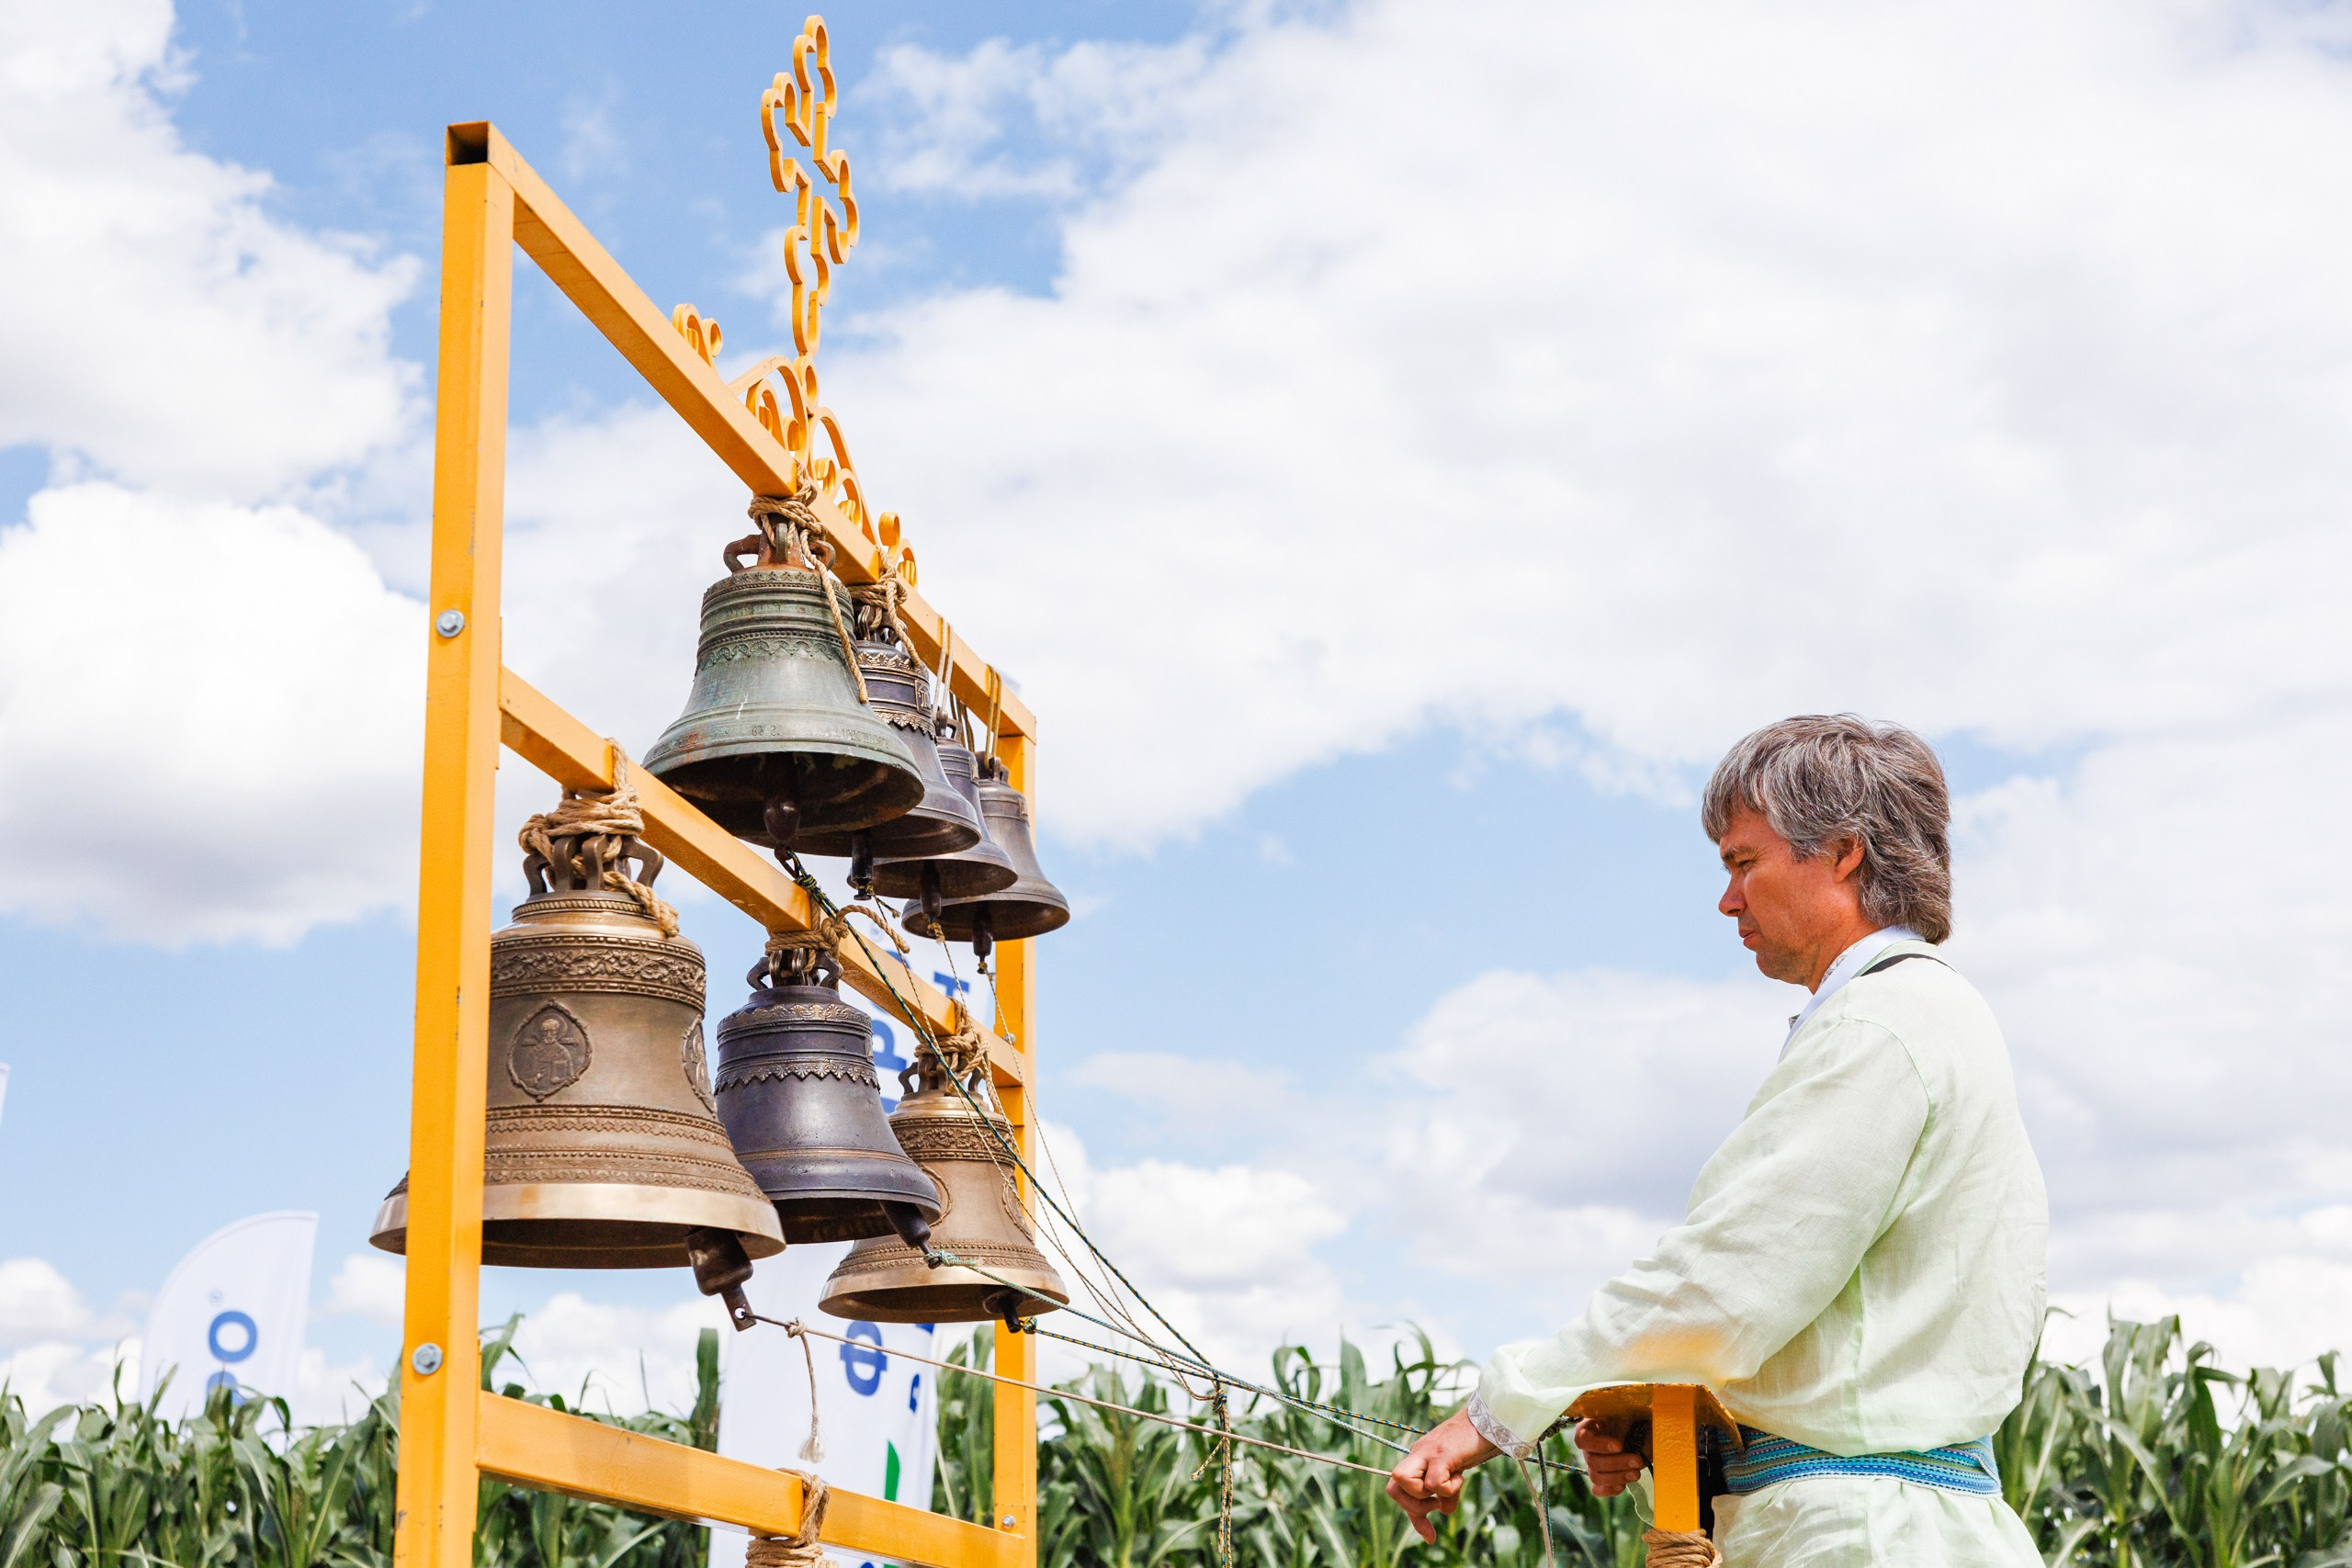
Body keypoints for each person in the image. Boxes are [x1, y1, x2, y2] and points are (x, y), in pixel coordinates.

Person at [1386, 716, 2047, 1565]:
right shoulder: (1926, 1017)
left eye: (1743, 861)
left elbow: (1727, 1278)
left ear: (1842, 852)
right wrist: (1664, 1427)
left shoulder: (1880, 1025)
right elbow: (1850, 1344)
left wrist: (1497, 1410)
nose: (1728, 899)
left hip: (1858, 1535)